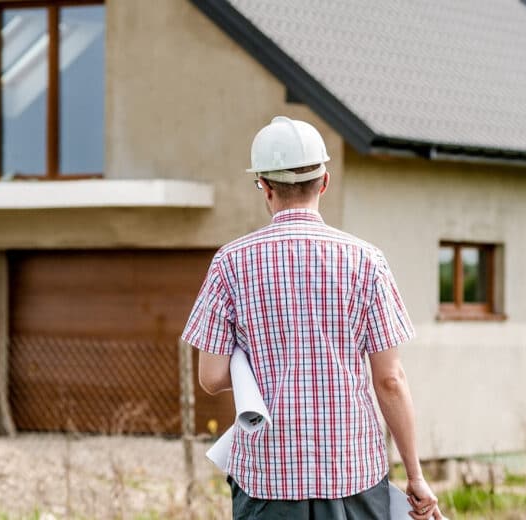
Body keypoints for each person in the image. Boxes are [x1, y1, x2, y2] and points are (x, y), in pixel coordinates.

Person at [182, 116, 442, 520]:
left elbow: (211, 378)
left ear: (264, 187)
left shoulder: (229, 263)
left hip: (268, 477)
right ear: (324, 182)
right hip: (353, 472)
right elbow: (390, 380)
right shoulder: (366, 261)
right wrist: (415, 475)